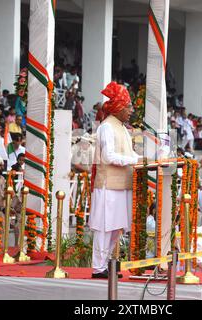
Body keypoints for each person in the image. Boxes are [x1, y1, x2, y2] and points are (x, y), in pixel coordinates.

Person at [89, 81, 140, 279]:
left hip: (122, 185)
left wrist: (147, 160)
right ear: (118, 107)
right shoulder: (106, 127)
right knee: (104, 227)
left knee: (116, 228)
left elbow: (129, 154)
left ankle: (105, 264)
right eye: (128, 106)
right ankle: (97, 267)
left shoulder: (122, 127)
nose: (131, 110)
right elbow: (109, 157)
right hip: (108, 185)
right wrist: (136, 161)